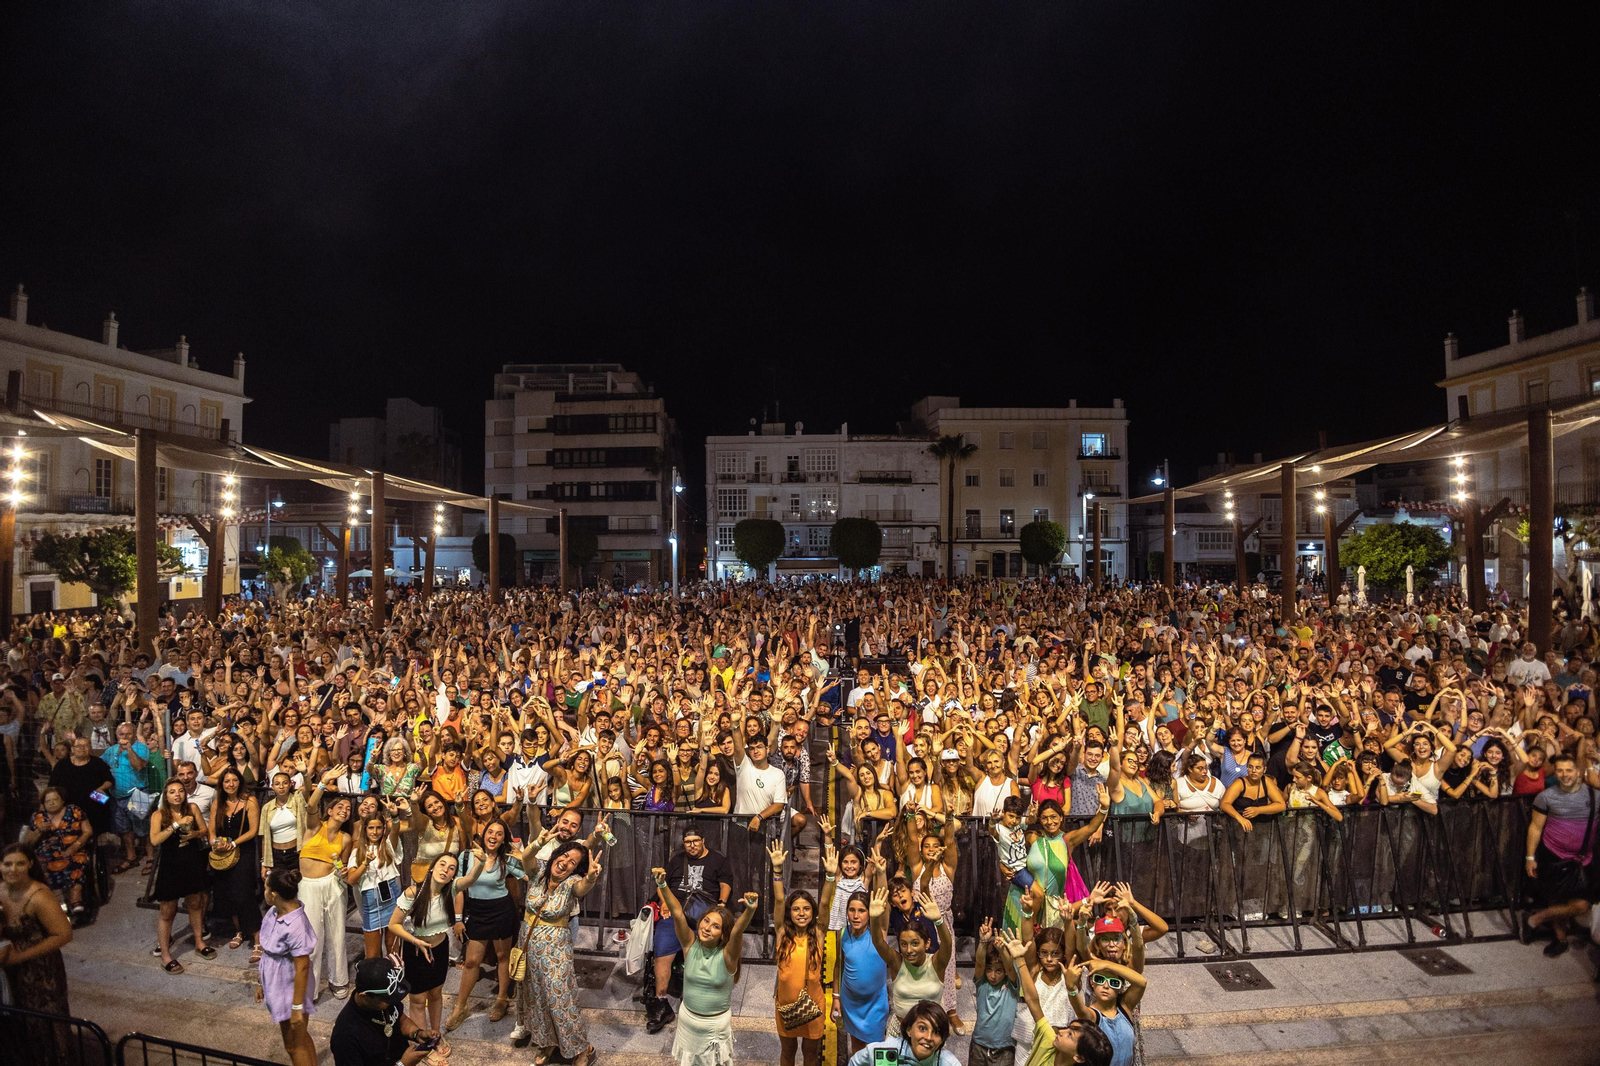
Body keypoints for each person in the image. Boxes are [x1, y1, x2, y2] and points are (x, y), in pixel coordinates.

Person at [650, 867, 758, 1066]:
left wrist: (750, 911)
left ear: (723, 934)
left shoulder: (728, 955)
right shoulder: (689, 945)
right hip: (687, 1024)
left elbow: (737, 932)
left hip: (714, 1028)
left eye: (715, 926)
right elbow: (677, 912)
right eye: (706, 921)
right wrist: (662, 885)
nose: (707, 928)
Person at [512, 839, 603, 1063]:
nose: (565, 863)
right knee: (536, 998)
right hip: (528, 945)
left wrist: (591, 877)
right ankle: (547, 1043)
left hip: (555, 951)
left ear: (575, 869)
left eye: (573, 862)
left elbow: (583, 887)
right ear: (557, 854)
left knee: (561, 999)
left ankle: (583, 1049)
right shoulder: (539, 871)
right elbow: (526, 858)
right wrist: (536, 844)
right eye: (564, 856)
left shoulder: (572, 882)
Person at [649, 825, 734, 1034]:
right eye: (688, 842)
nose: (692, 845)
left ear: (703, 840)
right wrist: (665, 903)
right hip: (676, 912)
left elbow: (725, 883)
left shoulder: (717, 860)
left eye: (696, 841)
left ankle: (694, 996)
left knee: (697, 952)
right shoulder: (677, 860)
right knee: (662, 950)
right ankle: (661, 1003)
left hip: (703, 914)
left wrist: (722, 903)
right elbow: (662, 884)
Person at [446, 818, 525, 1030]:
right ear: (483, 834)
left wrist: (525, 857)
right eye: (491, 832)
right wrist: (458, 919)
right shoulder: (466, 856)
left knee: (502, 956)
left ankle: (501, 999)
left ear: (503, 840)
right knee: (472, 961)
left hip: (502, 911)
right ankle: (460, 1006)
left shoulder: (506, 858)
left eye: (499, 834)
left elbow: (529, 876)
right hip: (477, 913)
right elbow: (460, 889)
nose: (493, 836)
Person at [995, 929, 1114, 1066]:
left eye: (1070, 1035)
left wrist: (1073, 923)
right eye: (1044, 953)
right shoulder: (1048, 1038)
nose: (1061, 1030)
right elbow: (1033, 1001)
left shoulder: (1068, 976)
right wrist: (1020, 959)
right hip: (1027, 1042)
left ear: (1079, 1058)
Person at [1524, 752, 1600, 956]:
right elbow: (1535, 828)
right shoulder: (1546, 796)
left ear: (1578, 771)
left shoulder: (1595, 796)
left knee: (1582, 905)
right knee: (1556, 899)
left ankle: (1537, 918)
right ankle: (1560, 939)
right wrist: (1530, 857)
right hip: (1553, 855)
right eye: (1560, 770)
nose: (1564, 774)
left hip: (1583, 858)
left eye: (1569, 770)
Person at [770, 838, 836, 1066]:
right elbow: (779, 899)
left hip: (813, 1005)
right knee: (788, 1053)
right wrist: (777, 870)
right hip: (786, 1006)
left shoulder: (817, 933)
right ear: (790, 913)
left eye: (806, 909)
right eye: (796, 909)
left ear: (812, 912)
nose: (801, 913)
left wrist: (830, 876)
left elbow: (825, 902)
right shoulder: (782, 933)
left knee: (810, 1053)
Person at [868, 884, 953, 1039]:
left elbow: (947, 944)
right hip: (898, 1032)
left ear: (927, 943)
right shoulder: (897, 962)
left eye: (915, 943)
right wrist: (873, 919)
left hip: (930, 1034)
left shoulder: (936, 963)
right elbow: (878, 943)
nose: (908, 950)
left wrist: (939, 921)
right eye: (904, 944)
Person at [389, 853, 459, 1040]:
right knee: (418, 999)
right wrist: (416, 941)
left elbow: (470, 879)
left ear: (453, 875)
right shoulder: (414, 892)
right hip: (416, 950)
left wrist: (481, 863)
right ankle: (423, 1041)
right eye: (442, 864)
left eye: (451, 868)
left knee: (436, 994)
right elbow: (393, 924)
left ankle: (435, 1036)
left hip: (440, 949)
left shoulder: (448, 893)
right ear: (432, 868)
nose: (445, 869)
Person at [0, 843, 74, 1018]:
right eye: (7, 864)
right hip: (8, 970)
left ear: (30, 865)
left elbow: (64, 934)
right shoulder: (0, 888)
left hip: (39, 971)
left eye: (20, 864)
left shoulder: (39, 896)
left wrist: (19, 957)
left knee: (42, 1021)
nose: (13, 870)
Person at [151, 778, 214, 972]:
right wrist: (176, 826)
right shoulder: (159, 815)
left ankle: (199, 942)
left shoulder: (192, 808)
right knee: (167, 910)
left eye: (180, 791)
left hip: (191, 861)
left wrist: (194, 834)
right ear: (166, 795)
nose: (177, 794)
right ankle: (166, 955)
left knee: (195, 902)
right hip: (171, 866)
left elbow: (204, 830)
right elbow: (155, 840)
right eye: (172, 791)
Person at [255, 868, 318, 1066]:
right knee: (299, 1039)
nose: (264, 892)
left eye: (266, 888)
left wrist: (297, 1007)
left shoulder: (296, 925)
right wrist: (261, 983)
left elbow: (303, 967)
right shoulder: (275, 911)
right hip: (277, 983)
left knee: (294, 1046)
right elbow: (267, 950)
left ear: (273, 894)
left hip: (290, 986)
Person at [329, 955, 441, 1066]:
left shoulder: (384, 997)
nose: (391, 1002)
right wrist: (403, 1064)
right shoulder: (345, 1037)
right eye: (386, 1000)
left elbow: (400, 1019)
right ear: (365, 996)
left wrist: (417, 1033)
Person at [209, 766, 262, 950]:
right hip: (223, 854)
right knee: (228, 895)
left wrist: (233, 843)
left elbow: (253, 830)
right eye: (226, 781)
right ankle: (239, 931)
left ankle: (257, 938)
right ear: (221, 784)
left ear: (240, 782)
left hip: (243, 851)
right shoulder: (218, 803)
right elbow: (212, 831)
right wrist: (215, 843)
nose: (230, 784)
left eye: (234, 780)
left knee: (244, 894)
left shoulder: (250, 801)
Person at [832, 887, 889, 1055]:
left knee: (875, 1051)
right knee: (857, 1049)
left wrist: (879, 872)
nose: (856, 916)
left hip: (875, 1005)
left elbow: (883, 901)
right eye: (852, 910)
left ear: (870, 912)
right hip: (851, 1003)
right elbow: (838, 966)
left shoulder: (879, 934)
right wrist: (836, 997)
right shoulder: (842, 933)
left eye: (862, 911)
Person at [22, 787, 91, 916]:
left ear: (62, 800)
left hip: (72, 849)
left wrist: (75, 845)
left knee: (76, 860)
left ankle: (76, 899)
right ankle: (52, 902)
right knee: (39, 865)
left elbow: (88, 831)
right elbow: (27, 843)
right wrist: (39, 831)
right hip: (46, 852)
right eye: (48, 801)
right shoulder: (38, 817)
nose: (52, 803)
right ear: (43, 804)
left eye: (55, 799)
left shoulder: (74, 811)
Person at [970, 919, 1021, 1066]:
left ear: (1004, 971)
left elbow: (1011, 968)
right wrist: (983, 942)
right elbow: (979, 963)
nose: (992, 976)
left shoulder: (1011, 985)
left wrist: (1002, 951)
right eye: (989, 970)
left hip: (1005, 1048)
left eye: (998, 971)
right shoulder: (982, 984)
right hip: (979, 1045)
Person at [845, 1001, 963, 1066]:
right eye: (922, 1028)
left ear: (942, 1039)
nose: (928, 1037)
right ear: (909, 1030)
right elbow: (855, 1062)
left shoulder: (949, 1063)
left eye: (936, 1032)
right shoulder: (888, 1051)